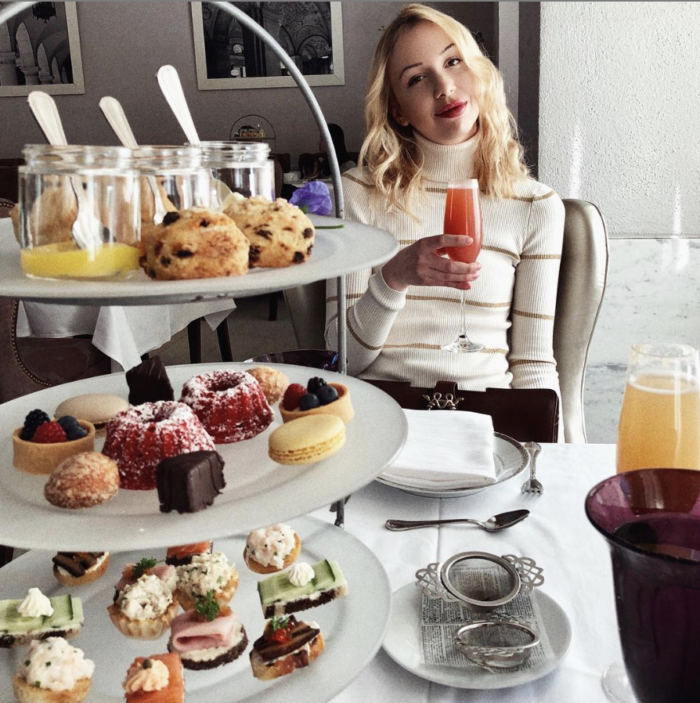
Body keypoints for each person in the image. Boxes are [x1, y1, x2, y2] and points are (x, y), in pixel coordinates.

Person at [325, 3, 564, 400]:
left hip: (487, 423)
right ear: (398, 111)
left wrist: (545, 454)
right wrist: (393, 278)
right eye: (417, 78)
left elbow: (534, 365)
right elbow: (341, 361)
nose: (444, 87)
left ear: (477, 70)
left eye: (453, 61)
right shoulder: (357, 195)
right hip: (387, 418)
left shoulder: (535, 207)